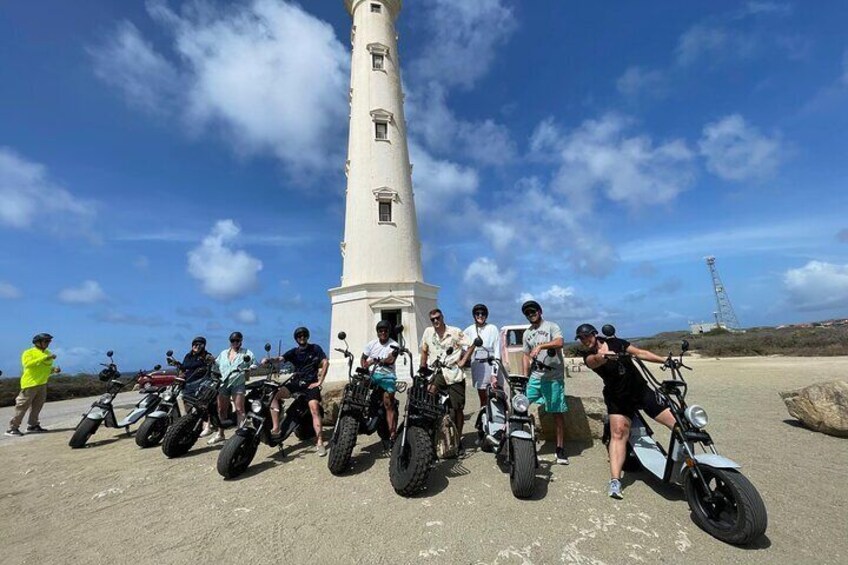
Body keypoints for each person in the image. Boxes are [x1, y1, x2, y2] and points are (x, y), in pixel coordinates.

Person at [576, 323, 676, 500]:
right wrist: (604, 356)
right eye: (581, 339)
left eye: (587, 336)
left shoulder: (616, 343)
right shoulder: (588, 355)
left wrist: (665, 361)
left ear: (594, 334)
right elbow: (594, 362)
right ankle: (615, 481)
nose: (585, 341)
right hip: (618, 399)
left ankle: (689, 463)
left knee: (676, 423)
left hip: (640, 391)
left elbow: (640, 353)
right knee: (618, 434)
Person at [264, 327, 329, 456]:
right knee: (274, 395)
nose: (302, 338)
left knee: (314, 408)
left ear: (307, 337)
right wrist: (268, 360)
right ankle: (276, 427)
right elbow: (280, 359)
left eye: (304, 335)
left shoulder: (315, 349)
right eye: (299, 336)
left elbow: (326, 362)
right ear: (296, 339)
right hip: (296, 383)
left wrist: (320, 381)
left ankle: (320, 442)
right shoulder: (294, 352)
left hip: (311, 384)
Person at [419, 308, 476, 455]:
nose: (436, 321)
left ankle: (458, 440)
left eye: (438, 318)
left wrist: (463, 360)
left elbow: (472, 344)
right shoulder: (428, 333)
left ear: (442, 317)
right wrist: (422, 368)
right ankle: (432, 435)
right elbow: (424, 351)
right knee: (429, 397)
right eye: (433, 319)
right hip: (437, 372)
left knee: (457, 408)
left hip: (454, 372)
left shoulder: (455, 332)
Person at [521, 300, 569, 465]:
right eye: (527, 313)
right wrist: (524, 377)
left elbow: (559, 342)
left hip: (553, 376)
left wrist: (541, 346)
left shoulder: (551, 326)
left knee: (557, 412)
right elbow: (526, 356)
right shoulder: (527, 333)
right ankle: (522, 443)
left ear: (540, 311)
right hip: (535, 376)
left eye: (533, 311)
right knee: (521, 406)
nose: (531, 315)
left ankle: (560, 448)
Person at [6, 333, 61, 436]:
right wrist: (44, 358)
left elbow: (45, 369)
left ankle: (33, 425)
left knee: (37, 406)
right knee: (22, 406)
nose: (48, 343)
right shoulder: (28, 352)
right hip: (30, 383)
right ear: (38, 342)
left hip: (42, 383)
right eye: (45, 341)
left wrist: (54, 370)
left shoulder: (47, 353)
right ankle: (12, 428)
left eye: (49, 341)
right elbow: (27, 364)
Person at [207, 331, 254, 445]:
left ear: (241, 341)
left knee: (239, 409)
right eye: (233, 340)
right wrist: (210, 360)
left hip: (238, 382)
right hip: (223, 383)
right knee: (221, 409)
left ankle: (239, 434)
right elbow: (216, 364)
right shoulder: (224, 353)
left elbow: (253, 363)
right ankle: (220, 434)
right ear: (230, 341)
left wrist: (250, 368)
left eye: (237, 340)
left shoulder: (247, 353)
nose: (235, 343)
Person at [361, 320, 399, 450]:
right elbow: (363, 358)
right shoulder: (371, 344)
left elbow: (391, 359)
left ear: (389, 331)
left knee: (389, 403)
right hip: (373, 374)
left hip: (387, 376)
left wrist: (376, 360)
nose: (383, 332)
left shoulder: (394, 344)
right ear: (377, 332)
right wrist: (365, 366)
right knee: (359, 388)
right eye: (380, 330)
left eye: (385, 330)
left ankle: (392, 434)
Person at [463, 303, 502, 409]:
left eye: (483, 313)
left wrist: (495, 373)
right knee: (483, 397)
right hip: (477, 365)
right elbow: (462, 346)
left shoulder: (493, 328)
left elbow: (497, 351)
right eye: (477, 313)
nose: (480, 315)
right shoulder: (469, 330)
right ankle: (484, 417)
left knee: (496, 394)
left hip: (491, 363)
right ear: (474, 315)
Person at [179, 336, 216, 438]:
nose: (197, 346)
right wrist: (181, 375)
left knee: (202, 405)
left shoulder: (206, 356)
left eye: (200, 344)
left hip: (202, 383)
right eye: (195, 344)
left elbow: (212, 365)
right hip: (188, 382)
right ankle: (187, 423)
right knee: (187, 403)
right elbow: (183, 367)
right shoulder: (188, 356)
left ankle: (207, 426)